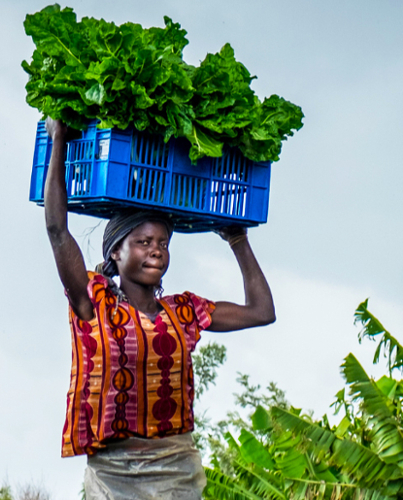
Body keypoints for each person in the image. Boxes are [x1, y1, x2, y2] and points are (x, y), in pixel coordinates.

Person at [43, 117, 276, 500]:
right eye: (144, 241)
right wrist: (59, 142)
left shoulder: (183, 312)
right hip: (112, 473)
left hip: (175, 470)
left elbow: (261, 311)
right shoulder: (94, 304)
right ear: (116, 252)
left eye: (163, 243)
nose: (156, 250)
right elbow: (57, 231)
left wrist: (237, 240)